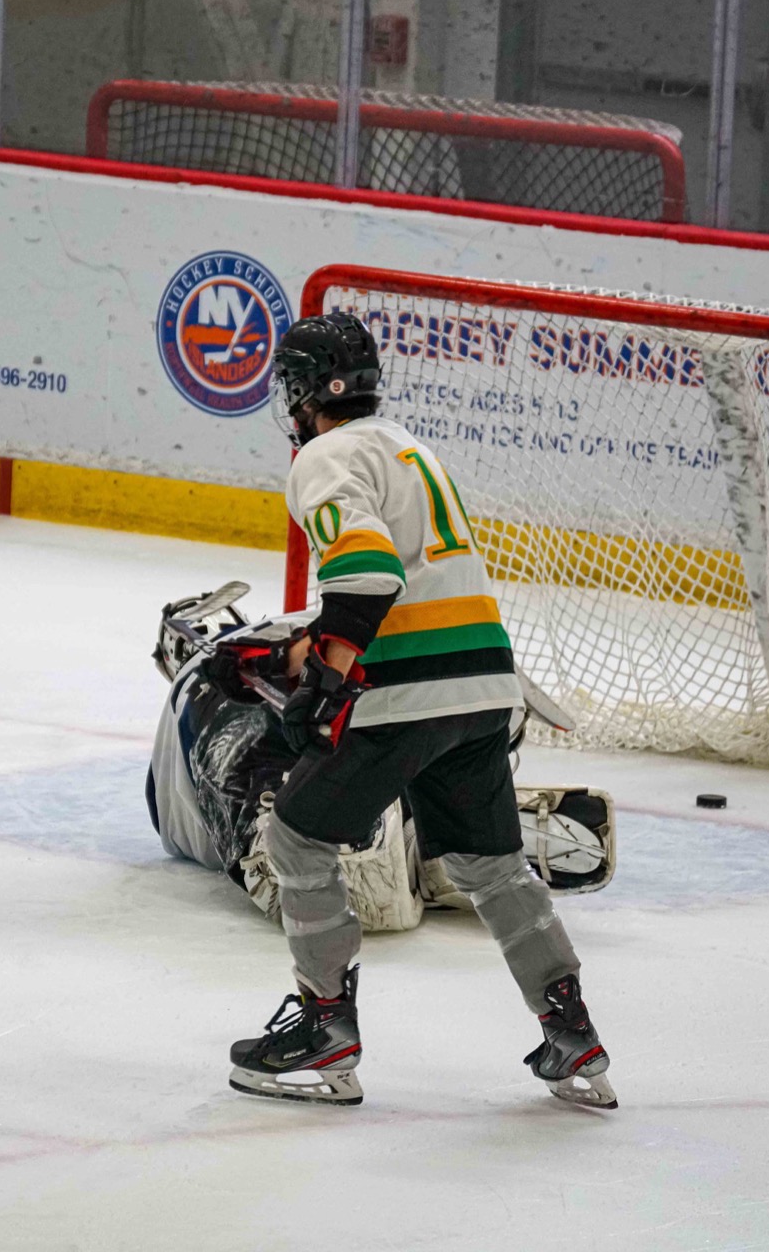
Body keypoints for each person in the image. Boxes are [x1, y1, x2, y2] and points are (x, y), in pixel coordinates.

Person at [225, 312, 617, 1110]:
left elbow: (368, 572)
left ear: (304, 392)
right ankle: (571, 1030)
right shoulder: (410, 447)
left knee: (295, 838)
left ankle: (326, 1027)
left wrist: (324, 679)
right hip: (486, 686)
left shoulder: (324, 456)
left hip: (408, 691)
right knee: (491, 866)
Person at [147, 590, 614, 931]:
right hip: (406, 690)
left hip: (253, 729)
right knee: (428, 747)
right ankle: (446, 828)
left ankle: (375, 839)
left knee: (276, 837)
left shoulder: (191, 693)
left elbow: (176, 817)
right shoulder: (285, 626)